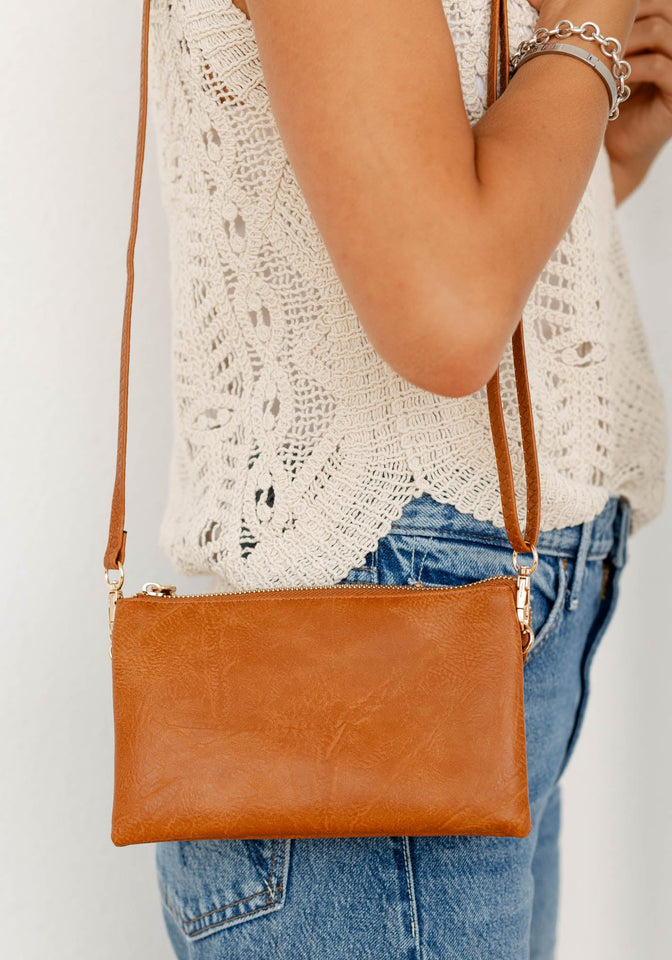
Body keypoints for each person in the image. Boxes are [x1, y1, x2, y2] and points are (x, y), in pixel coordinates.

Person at [142, 0, 670, 956]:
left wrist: (589, 138)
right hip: (385, 651)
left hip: (478, 632)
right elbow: (449, 312)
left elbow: (432, 235)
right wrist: (589, 30)